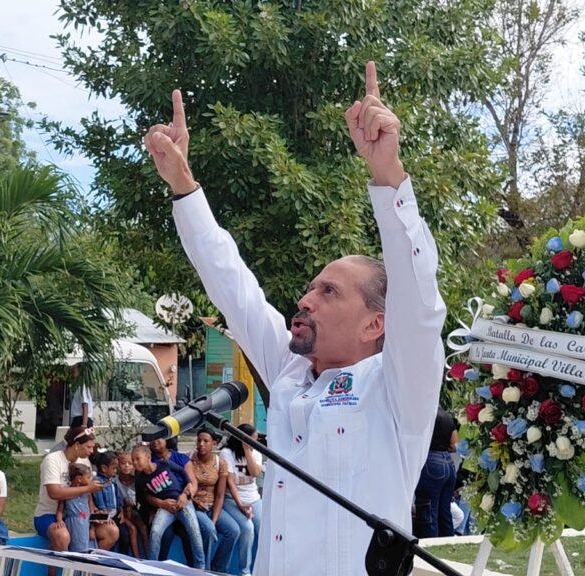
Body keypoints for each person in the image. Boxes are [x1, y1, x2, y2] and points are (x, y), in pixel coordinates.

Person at [143, 61, 446, 575]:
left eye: (329, 292)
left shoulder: (398, 387)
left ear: (377, 323)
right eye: (310, 287)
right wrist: (184, 185)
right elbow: (231, 282)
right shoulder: (288, 368)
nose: (306, 299)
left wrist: (387, 176)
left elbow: (419, 303)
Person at [33, 426, 105, 576]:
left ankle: (85, 568)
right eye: (88, 447)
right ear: (77, 445)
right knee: (62, 535)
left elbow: (88, 491)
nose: (91, 451)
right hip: (49, 514)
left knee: (111, 531)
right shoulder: (53, 460)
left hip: (79, 513)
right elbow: (54, 492)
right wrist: (88, 489)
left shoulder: (84, 462)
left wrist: (95, 512)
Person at [132, 443, 206, 569]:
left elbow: (182, 472)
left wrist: (186, 490)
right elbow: (142, 498)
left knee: (194, 531)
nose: (134, 463)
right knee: (155, 532)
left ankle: (201, 568)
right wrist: (157, 506)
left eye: (137, 459)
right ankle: (151, 567)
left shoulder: (163, 464)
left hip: (181, 502)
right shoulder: (140, 480)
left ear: (148, 457)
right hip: (165, 508)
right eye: (133, 460)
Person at [191, 428, 241, 574]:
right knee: (208, 529)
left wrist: (214, 518)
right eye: (199, 440)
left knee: (233, 531)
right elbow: (184, 487)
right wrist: (194, 502)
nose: (201, 444)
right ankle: (204, 570)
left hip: (213, 506)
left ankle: (218, 568)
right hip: (195, 506)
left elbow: (220, 494)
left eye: (206, 441)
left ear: (214, 443)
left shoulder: (220, 463)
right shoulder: (189, 460)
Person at [220, 424, 261, 576]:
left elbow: (255, 473)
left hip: (254, 498)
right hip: (232, 500)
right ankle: (245, 571)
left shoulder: (256, 452)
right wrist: (240, 505)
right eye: (253, 440)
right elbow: (230, 483)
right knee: (247, 528)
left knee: (263, 529)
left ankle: (261, 567)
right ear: (243, 438)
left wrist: (247, 451)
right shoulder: (226, 453)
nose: (255, 443)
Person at [413, 409, 459, 538]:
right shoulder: (446, 416)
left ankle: (428, 550)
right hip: (448, 463)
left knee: (428, 512)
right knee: (445, 512)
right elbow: (455, 444)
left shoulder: (423, 414)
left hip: (430, 461)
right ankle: (448, 546)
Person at [55, 463, 100, 553]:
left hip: (85, 524)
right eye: (88, 477)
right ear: (79, 479)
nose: (90, 480)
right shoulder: (67, 492)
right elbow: (60, 509)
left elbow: (91, 512)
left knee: (88, 550)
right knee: (76, 550)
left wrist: (92, 529)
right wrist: (59, 520)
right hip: (73, 525)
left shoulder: (88, 493)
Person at [115, 451, 148, 557]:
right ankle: (136, 557)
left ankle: (149, 556)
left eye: (130, 463)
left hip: (133, 511)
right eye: (123, 463)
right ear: (118, 465)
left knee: (143, 528)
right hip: (121, 513)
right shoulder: (115, 482)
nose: (127, 466)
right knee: (132, 529)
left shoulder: (136, 481)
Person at [89, 451, 123, 551]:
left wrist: (121, 510)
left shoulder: (112, 481)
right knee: (113, 532)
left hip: (113, 514)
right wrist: (106, 516)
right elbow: (100, 503)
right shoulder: (98, 482)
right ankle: (94, 556)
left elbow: (117, 498)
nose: (116, 471)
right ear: (104, 468)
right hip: (101, 515)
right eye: (114, 468)